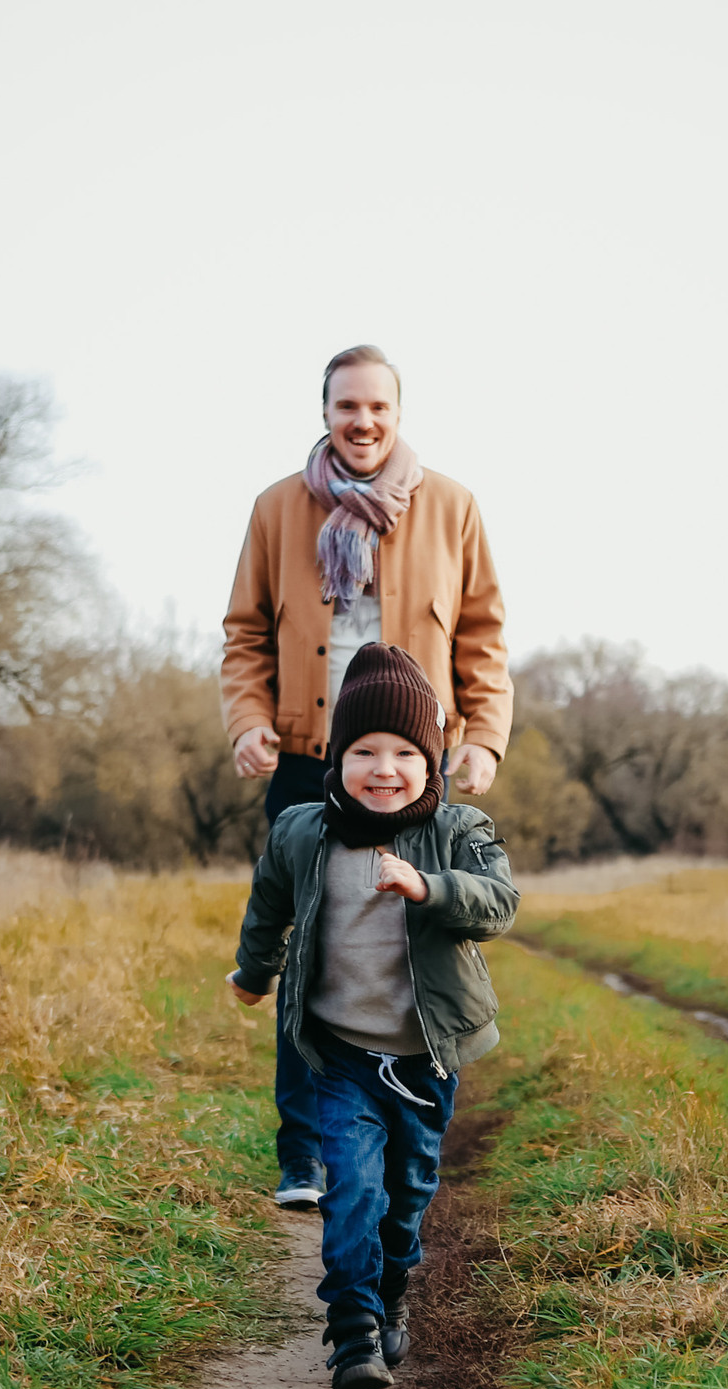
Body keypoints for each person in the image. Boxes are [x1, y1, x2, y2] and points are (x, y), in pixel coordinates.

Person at [220, 346, 511, 1211]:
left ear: (397, 412)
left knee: (407, 944)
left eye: (378, 407)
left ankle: (403, 1124)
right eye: (347, 406)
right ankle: (303, 1151)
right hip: (308, 757)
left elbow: (484, 636)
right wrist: (248, 720)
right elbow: (243, 633)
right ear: (325, 411)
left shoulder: (451, 507)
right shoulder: (278, 508)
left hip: (412, 764)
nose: (363, 421)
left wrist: (484, 737)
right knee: (309, 946)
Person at [228, 643, 517, 1389]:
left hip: (424, 1058)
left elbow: (500, 903)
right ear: (336, 755)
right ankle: (353, 1328)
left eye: (403, 752)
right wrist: (253, 974)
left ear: (434, 761)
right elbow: (268, 908)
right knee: (352, 1189)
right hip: (343, 1055)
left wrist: (429, 886)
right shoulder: (301, 830)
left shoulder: (458, 830)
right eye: (363, 750)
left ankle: (391, 1291)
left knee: (407, 1194)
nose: (383, 768)